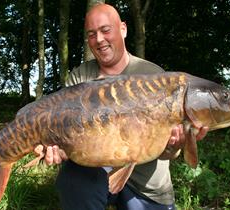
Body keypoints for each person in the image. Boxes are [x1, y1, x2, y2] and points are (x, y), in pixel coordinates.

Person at [38, 3, 208, 210]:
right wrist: (55, 148)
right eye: (92, 34)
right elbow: (63, 134)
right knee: (73, 179)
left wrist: (176, 145)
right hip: (95, 172)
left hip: (146, 184)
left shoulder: (152, 74)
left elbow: (167, 153)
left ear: (123, 29)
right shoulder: (80, 78)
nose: (99, 40)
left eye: (105, 30)